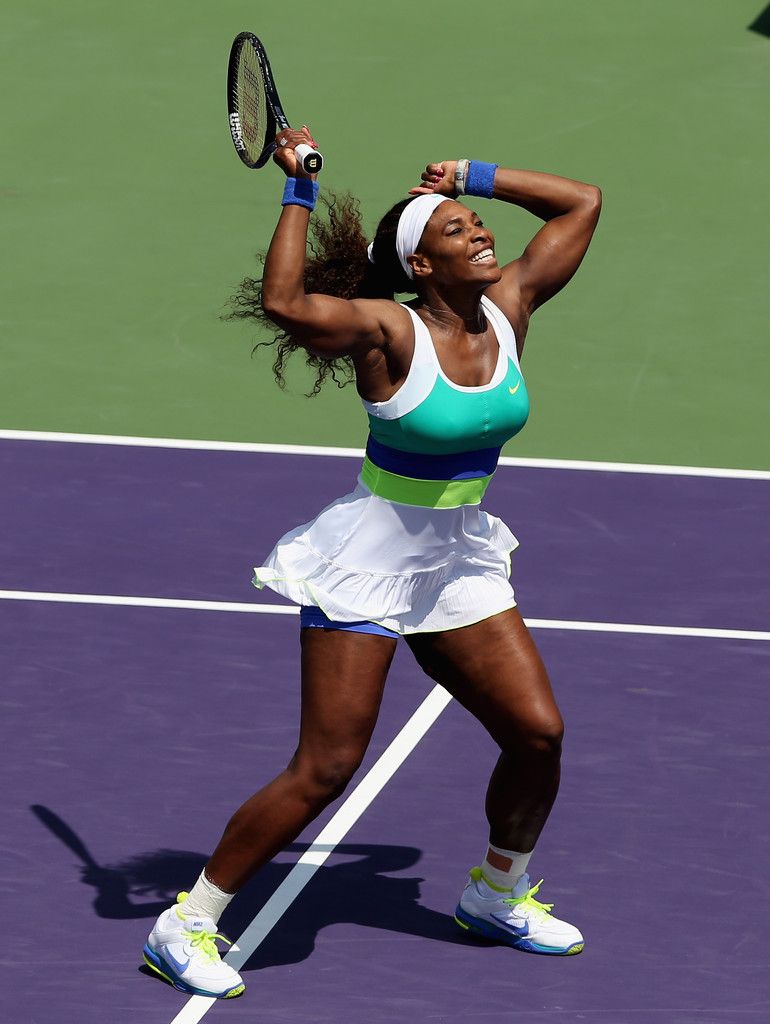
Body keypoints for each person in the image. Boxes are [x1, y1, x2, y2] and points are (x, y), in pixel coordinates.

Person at [143, 126, 601, 999]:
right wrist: (298, 191)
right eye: (456, 230)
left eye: (476, 222)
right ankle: (186, 923)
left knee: (538, 733)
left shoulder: (510, 309)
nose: (479, 233)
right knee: (326, 765)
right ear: (420, 268)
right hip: (372, 560)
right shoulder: (388, 331)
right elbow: (285, 305)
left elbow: (583, 201)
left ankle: (495, 892)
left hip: (458, 559)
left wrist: (473, 174)